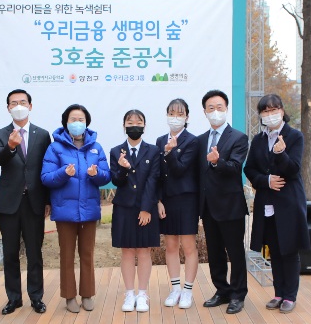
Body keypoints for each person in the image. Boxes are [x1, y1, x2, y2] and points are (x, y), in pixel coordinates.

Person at [41, 104, 111, 313]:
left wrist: (95, 174)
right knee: (67, 255)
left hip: (89, 210)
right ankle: (69, 296)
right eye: (73, 119)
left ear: (86, 122)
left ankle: (87, 294)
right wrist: (64, 173)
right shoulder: (55, 148)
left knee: (88, 253)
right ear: (66, 122)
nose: (77, 123)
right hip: (65, 211)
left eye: (80, 119)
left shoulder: (96, 147)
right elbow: (46, 178)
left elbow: (106, 176)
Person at [244, 94, 310, 314]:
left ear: (282, 111)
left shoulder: (294, 136)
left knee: (289, 250)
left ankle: (290, 296)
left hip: (288, 203)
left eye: (274, 110)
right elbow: (249, 169)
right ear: (261, 115)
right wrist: (266, 181)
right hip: (266, 204)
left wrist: (281, 153)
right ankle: (278, 293)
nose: (270, 115)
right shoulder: (259, 140)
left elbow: (293, 170)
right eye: (265, 111)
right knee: (273, 249)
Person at [0, 89, 51, 315]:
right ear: (8, 108)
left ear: (31, 106)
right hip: (9, 203)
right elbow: (0, 158)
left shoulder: (42, 134)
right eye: (14, 103)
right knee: (10, 253)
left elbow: (46, 168)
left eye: (23, 102)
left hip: (34, 202)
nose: (19, 106)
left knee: (35, 252)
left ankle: (36, 297)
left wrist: (47, 200)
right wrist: (11, 146)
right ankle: (13, 298)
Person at [196, 89, 249, 314]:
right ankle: (222, 290)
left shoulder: (239, 137)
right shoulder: (200, 141)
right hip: (208, 208)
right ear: (204, 112)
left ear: (226, 109)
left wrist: (218, 162)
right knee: (215, 252)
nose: (215, 112)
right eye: (211, 108)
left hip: (231, 207)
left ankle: (238, 294)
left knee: (235, 252)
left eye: (219, 107)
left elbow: (236, 168)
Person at [110, 110, 160, 313]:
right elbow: (116, 181)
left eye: (138, 122)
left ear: (144, 126)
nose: (134, 125)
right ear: (124, 126)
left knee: (144, 250)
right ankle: (129, 293)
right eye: (130, 122)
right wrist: (122, 168)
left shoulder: (153, 150)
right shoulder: (116, 151)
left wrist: (147, 209)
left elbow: (153, 180)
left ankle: (142, 293)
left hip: (145, 208)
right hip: (123, 208)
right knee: (128, 251)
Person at [156, 99, 199, 309]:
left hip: (187, 200)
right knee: (171, 245)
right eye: (171, 112)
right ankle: (175, 289)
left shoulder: (193, 141)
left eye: (179, 113)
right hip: (167, 201)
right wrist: (158, 200)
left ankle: (188, 290)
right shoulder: (159, 140)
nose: (175, 117)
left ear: (187, 117)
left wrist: (171, 152)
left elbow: (181, 170)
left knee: (189, 246)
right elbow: (156, 175)